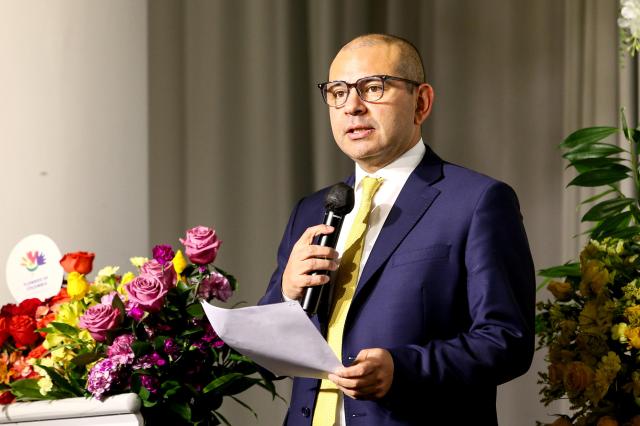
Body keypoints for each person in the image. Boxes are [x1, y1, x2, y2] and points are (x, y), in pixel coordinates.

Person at [259, 33, 535, 426]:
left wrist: (403, 368)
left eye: (373, 88)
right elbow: (269, 361)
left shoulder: (476, 201)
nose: (352, 106)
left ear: (421, 102)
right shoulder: (312, 210)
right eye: (337, 92)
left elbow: (507, 340)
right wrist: (286, 294)